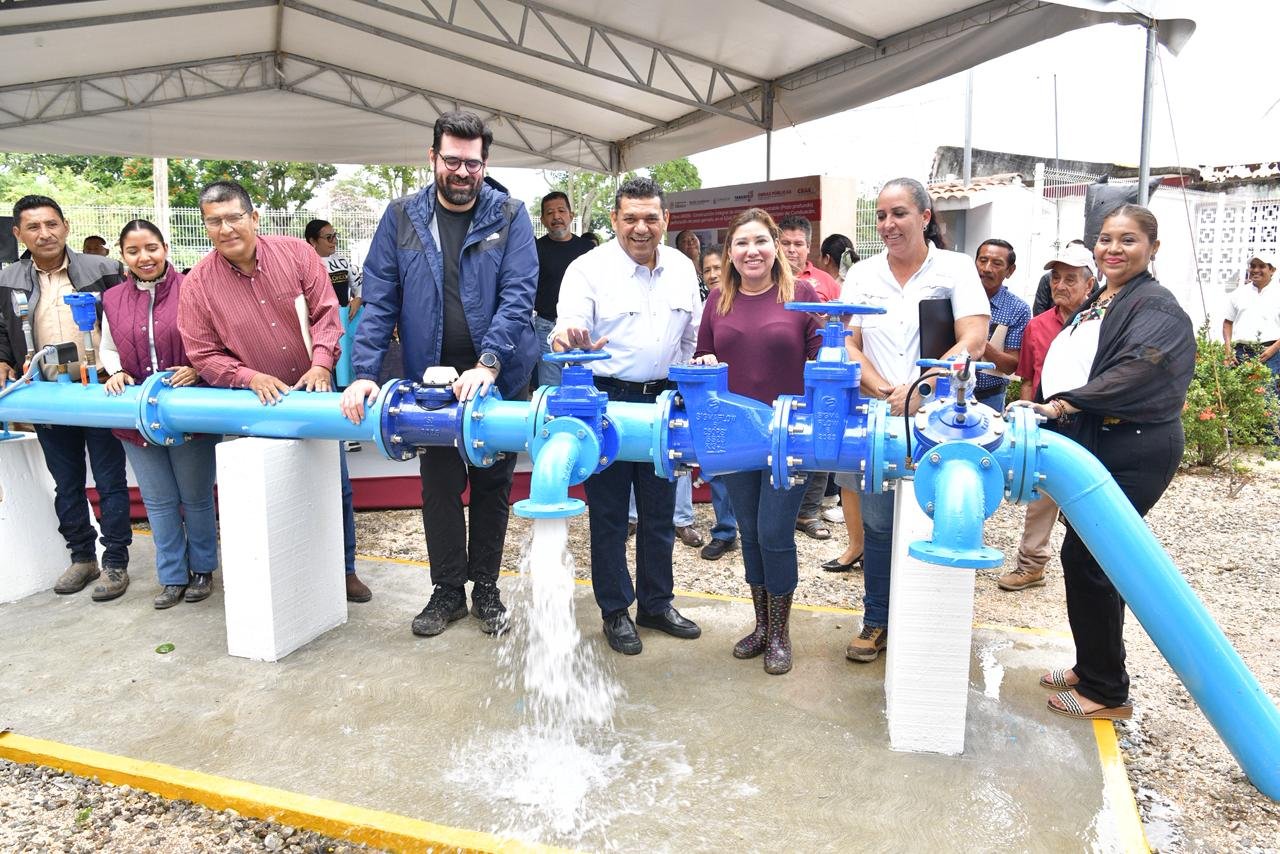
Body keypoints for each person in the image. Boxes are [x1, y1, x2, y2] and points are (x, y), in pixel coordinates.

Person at [341, 111, 537, 637]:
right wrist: (363, 373)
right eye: (451, 160)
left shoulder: (511, 215)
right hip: (430, 386)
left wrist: (489, 364)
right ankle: (448, 590)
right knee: (440, 487)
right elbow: (379, 299)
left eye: (472, 163)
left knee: (494, 485)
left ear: (485, 164)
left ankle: (487, 589)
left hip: (497, 378)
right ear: (433, 158)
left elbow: (518, 298)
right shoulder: (401, 215)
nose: (461, 171)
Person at [1026, 205, 1194, 721]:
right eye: (1105, 240)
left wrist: (1062, 404)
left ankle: (1107, 690)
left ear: (1153, 248)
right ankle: (1091, 664)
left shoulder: (1157, 306)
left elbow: (1139, 371)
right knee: (1086, 558)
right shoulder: (1107, 296)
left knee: (1094, 562)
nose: (1113, 250)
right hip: (1100, 441)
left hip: (1133, 448)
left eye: (1128, 241)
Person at [178, 180, 371, 604]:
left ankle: (344, 569)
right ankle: (288, 575)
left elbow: (326, 313)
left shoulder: (297, 253)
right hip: (256, 405)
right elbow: (202, 352)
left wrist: (322, 362)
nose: (226, 228)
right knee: (271, 491)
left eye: (233, 217)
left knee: (333, 486)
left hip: (316, 395)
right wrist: (248, 377)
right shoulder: (197, 284)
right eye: (214, 221)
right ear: (206, 226)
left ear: (254, 218)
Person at [837, 177, 989, 663]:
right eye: (881, 216)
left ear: (925, 217)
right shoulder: (861, 274)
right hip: (879, 416)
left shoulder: (956, 269)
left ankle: (931, 627)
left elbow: (975, 338)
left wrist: (924, 388)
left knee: (938, 517)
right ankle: (876, 619)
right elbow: (847, 343)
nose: (888, 225)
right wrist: (885, 389)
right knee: (879, 525)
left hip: (942, 419)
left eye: (899, 213)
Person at [551, 176, 703, 656]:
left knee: (660, 513)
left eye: (651, 218)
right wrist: (570, 341)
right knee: (612, 516)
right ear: (614, 219)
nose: (641, 228)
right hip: (607, 405)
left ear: (666, 220)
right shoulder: (587, 269)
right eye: (630, 218)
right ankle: (615, 611)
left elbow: (691, 339)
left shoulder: (681, 268)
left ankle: (657, 604)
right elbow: (566, 328)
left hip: (662, 403)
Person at [692, 208, 820, 674]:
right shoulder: (717, 299)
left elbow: (822, 361)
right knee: (749, 532)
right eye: (742, 243)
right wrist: (704, 363)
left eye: (761, 241)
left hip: (789, 437)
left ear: (776, 247)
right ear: (730, 252)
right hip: (736, 436)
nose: (752, 251)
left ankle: (782, 633)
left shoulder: (801, 295)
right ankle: (762, 626)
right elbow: (702, 355)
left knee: (774, 531)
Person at [0, 195, 131, 601]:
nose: (45, 234)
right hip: (47, 392)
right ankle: (81, 557)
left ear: (66, 226)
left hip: (99, 389)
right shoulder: (9, 280)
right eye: (34, 227)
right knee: (66, 481)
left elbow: (125, 320)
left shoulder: (105, 269)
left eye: (52, 224)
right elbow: (2, 330)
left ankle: (114, 561)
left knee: (110, 479)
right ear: (18, 233)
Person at [100, 220, 219, 609]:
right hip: (136, 415)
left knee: (196, 497)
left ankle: (203, 569)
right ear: (123, 256)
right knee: (159, 500)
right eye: (133, 251)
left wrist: (199, 368)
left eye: (150, 248)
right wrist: (115, 370)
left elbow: (218, 340)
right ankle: (171, 576)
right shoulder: (113, 298)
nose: (144, 257)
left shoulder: (194, 288)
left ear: (165, 247)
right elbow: (108, 347)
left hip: (189, 411)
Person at [997, 243, 1095, 593]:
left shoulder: (1103, 324)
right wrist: (1025, 424)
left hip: (1090, 421)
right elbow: (1027, 378)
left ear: (1090, 284)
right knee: (1040, 497)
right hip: (1047, 420)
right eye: (1055, 278)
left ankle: (1092, 566)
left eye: (1071, 278)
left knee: (1087, 496)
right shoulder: (1037, 326)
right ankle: (1031, 564)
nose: (1061, 285)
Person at [778, 214, 839, 541]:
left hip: (815, 381)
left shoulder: (825, 283)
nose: (790, 250)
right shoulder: (761, 280)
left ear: (808, 246)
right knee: (779, 446)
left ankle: (809, 512)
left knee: (818, 445)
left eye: (797, 244)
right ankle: (779, 514)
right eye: (784, 243)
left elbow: (839, 325)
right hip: (778, 380)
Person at [696, 244, 739, 562]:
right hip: (721, 399)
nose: (713, 274)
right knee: (721, 468)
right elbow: (700, 350)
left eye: (717, 268)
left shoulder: (756, 295)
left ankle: (757, 534)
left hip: (758, 398)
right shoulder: (713, 302)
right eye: (707, 269)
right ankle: (725, 531)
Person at [533, 191, 595, 387]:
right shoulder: (534, 249)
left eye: (561, 210)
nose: (556, 217)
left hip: (582, 329)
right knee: (550, 386)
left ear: (571, 214)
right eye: (549, 213)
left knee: (583, 384)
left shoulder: (588, 250)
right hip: (546, 325)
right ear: (542, 219)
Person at [973, 239, 1031, 411]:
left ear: (1010, 271)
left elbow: (1010, 365)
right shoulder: (952, 297)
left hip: (989, 398)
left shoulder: (1017, 309)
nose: (987, 268)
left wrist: (976, 340)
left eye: (997, 263)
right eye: (982, 260)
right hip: (947, 393)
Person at [1222, 251, 1280, 383]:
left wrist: (1274, 349)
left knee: (1268, 397)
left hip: (1271, 353)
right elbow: (1227, 323)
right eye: (1253, 266)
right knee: (1240, 397)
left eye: (1261, 266)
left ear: (1272, 270)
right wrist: (1228, 350)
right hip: (1240, 354)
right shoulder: (1239, 293)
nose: (1255, 270)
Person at [304, 219, 362, 323]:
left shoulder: (342, 262)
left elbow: (359, 286)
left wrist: (358, 299)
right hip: (317, 324)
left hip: (344, 320)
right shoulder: (303, 265)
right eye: (329, 238)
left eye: (334, 235)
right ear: (313, 241)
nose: (335, 241)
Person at [1033, 239, 1088, 316]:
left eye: (1070, 280)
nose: (1060, 287)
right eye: (1056, 278)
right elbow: (1039, 307)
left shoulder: (1094, 321)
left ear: (1089, 285)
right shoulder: (1046, 278)